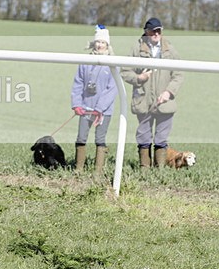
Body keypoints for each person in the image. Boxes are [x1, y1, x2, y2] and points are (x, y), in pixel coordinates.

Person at [120, 17, 184, 168]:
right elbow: (124, 71)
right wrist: (139, 78)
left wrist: (169, 92)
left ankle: (159, 169)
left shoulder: (170, 49)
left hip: (165, 102)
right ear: (146, 32)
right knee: (143, 136)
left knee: (161, 138)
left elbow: (179, 73)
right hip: (143, 101)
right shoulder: (137, 48)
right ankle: (144, 168)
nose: (156, 34)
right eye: (153, 31)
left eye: (158, 31)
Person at [70, 25, 117, 175]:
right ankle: (78, 169)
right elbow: (77, 83)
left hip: (103, 112)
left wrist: (99, 109)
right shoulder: (85, 61)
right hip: (85, 108)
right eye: (98, 42)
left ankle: (98, 171)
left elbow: (112, 89)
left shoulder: (112, 64)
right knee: (81, 137)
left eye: (103, 43)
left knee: (100, 138)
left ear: (107, 45)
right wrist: (76, 104)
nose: (100, 45)